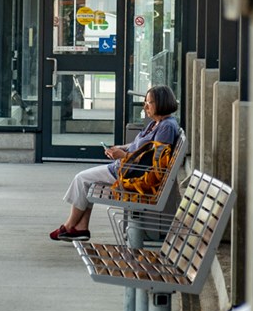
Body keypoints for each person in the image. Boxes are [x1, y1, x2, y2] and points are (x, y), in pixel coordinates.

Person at [49, 84, 181, 241]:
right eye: (145, 101)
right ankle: (81, 228)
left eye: (149, 102)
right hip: (126, 168)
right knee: (88, 182)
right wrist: (120, 148)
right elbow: (139, 147)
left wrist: (123, 155)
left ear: (161, 102)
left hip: (131, 174)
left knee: (82, 179)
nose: (145, 106)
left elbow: (153, 162)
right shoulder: (157, 123)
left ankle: (70, 226)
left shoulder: (166, 127)